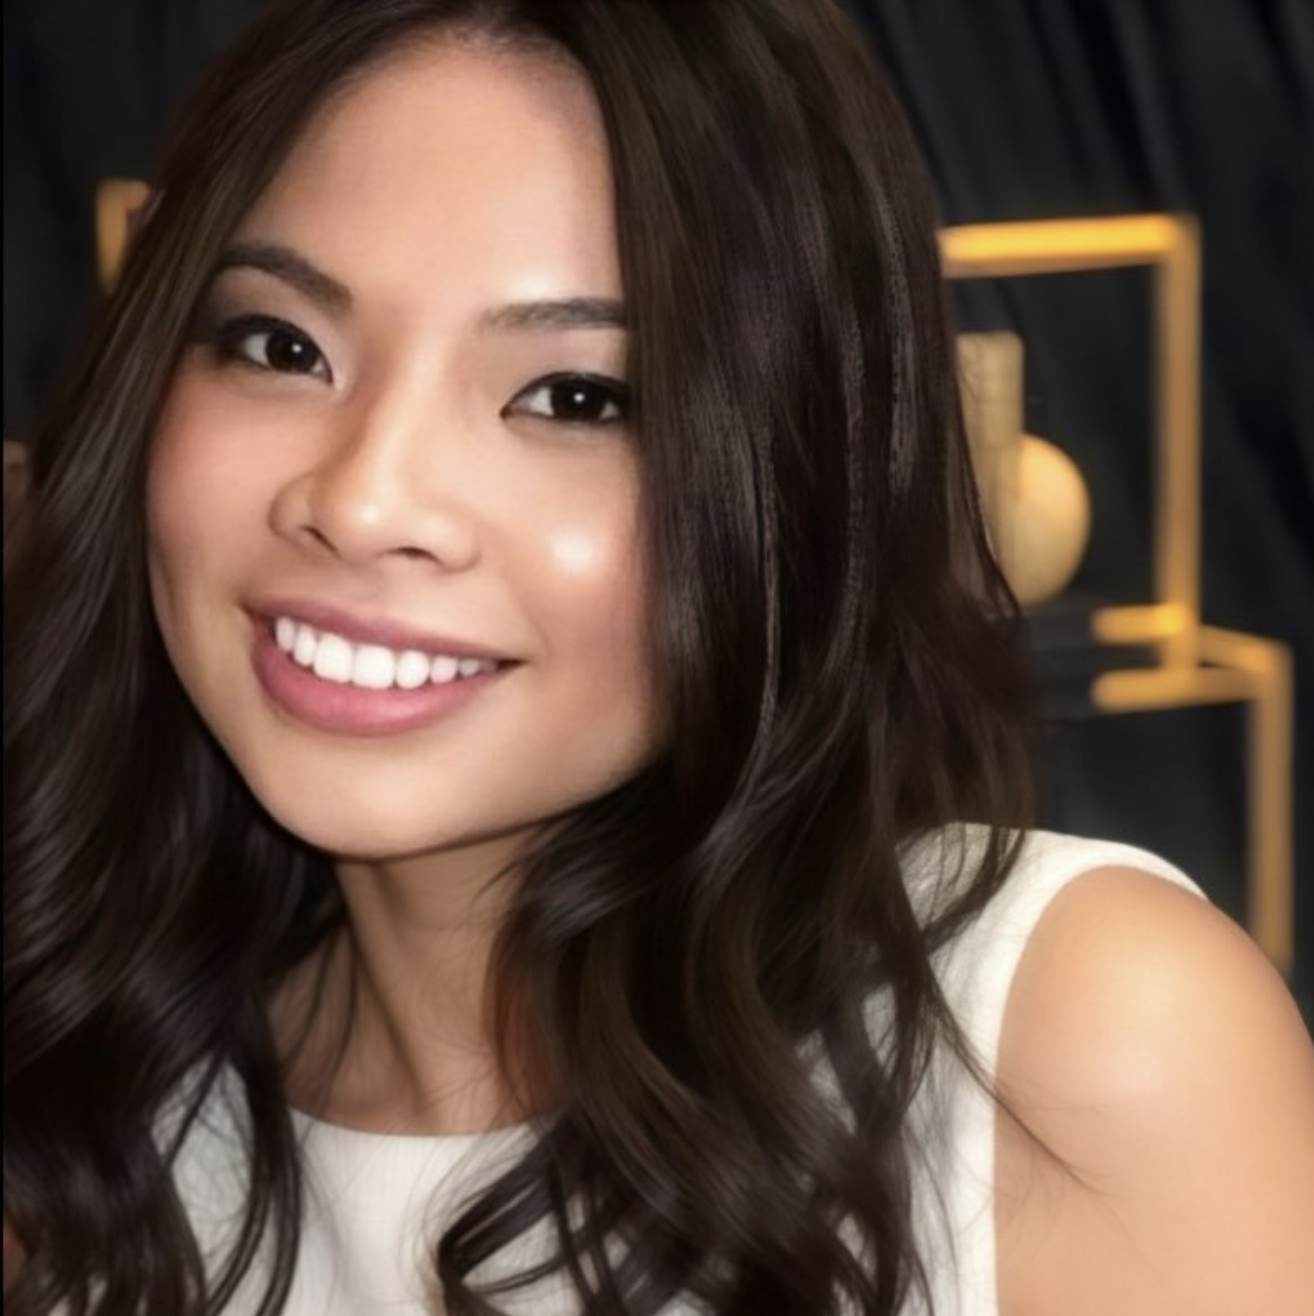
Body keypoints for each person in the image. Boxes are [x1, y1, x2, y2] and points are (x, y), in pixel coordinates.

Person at [4, 1, 1312, 1313]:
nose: (363, 500)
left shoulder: (1065, 1050)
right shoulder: (87, 1137)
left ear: (803, 476)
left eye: (577, 397)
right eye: (281, 345)